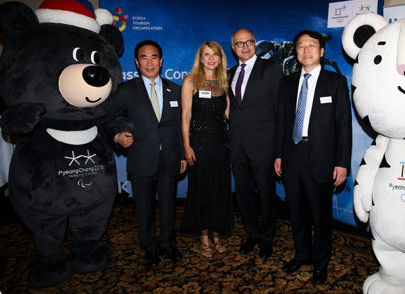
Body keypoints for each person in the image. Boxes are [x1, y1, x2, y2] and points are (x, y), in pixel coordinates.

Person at [274, 30, 352, 285]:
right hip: (292, 156)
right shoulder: (286, 84)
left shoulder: (335, 82)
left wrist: (342, 162)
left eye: (311, 45)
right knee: (296, 214)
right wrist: (278, 155)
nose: (305, 50)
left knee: (321, 217)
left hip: (322, 159)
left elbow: (344, 127)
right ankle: (302, 255)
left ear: (321, 51)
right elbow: (282, 124)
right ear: (296, 52)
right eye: (300, 46)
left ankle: (321, 263)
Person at [108, 40, 186, 269]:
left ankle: (167, 243)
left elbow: (180, 127)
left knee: (169, 206)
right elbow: (109, 120)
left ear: (161, 61)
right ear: (136, 62)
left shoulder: (176, 89)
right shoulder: (125, 90)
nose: (149, 62)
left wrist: (181, 155)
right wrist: (117, 136)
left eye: (154, 57)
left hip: (170, 159)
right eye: (144, 57)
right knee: (144, 208)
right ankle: (149, 247)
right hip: (141, 159)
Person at [228, 29, 283, 258]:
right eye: (239, 43)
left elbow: (281, 111)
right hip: (237, 145)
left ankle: (267, 237)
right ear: (233, 47)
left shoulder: (271, 69)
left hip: (264, 145)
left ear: (255, 43)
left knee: (266, 193)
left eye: (249, 41)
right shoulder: (229, 73)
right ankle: (252, 233)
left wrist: (279, 150)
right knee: (243, 194)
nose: (245, 46)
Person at [180, 41, 232, 258]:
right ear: (200, 58)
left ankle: (217, 232)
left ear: (220, 59)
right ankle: (203, 235)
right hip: (199, 145)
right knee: (201, 191)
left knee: (218, 190)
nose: (211, 58)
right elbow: (185, 116)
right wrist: (186, 146)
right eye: (207, 54)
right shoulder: (191, 81)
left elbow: (229, 115)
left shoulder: (223, 83)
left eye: (215, 55)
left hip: (220, 145)